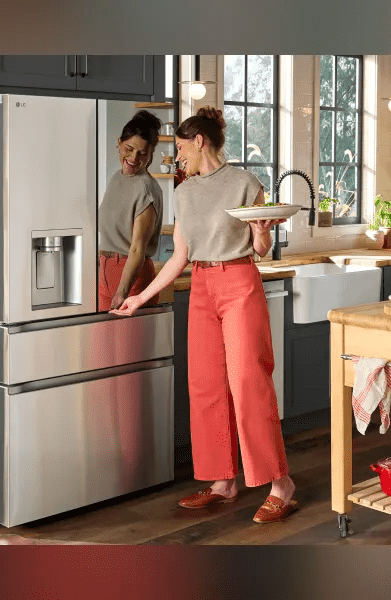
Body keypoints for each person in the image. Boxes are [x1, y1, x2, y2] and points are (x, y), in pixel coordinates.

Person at [110, 106, 298, 524]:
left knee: (249, 382)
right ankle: (221, 481)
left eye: (180, 148)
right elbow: (180, 255)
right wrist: (140, 296)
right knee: (206, 386)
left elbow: (260, 249)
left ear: (200, 141)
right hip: (201, 288)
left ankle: (280, 484)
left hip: (239, 283)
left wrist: (264, 232)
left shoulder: (246, 183)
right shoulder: (184, 192)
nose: (177, 158)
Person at [97, 110, 164, 312]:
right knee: (104, 343)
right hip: (105, 273)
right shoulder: (116, 178)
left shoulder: (146, 189)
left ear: (151, 154)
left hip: (131, 278)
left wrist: (122, 292)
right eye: (129, 148)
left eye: (143, 153)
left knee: (130, 344)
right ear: (119, 143)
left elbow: (137, 249)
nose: (134, 158)